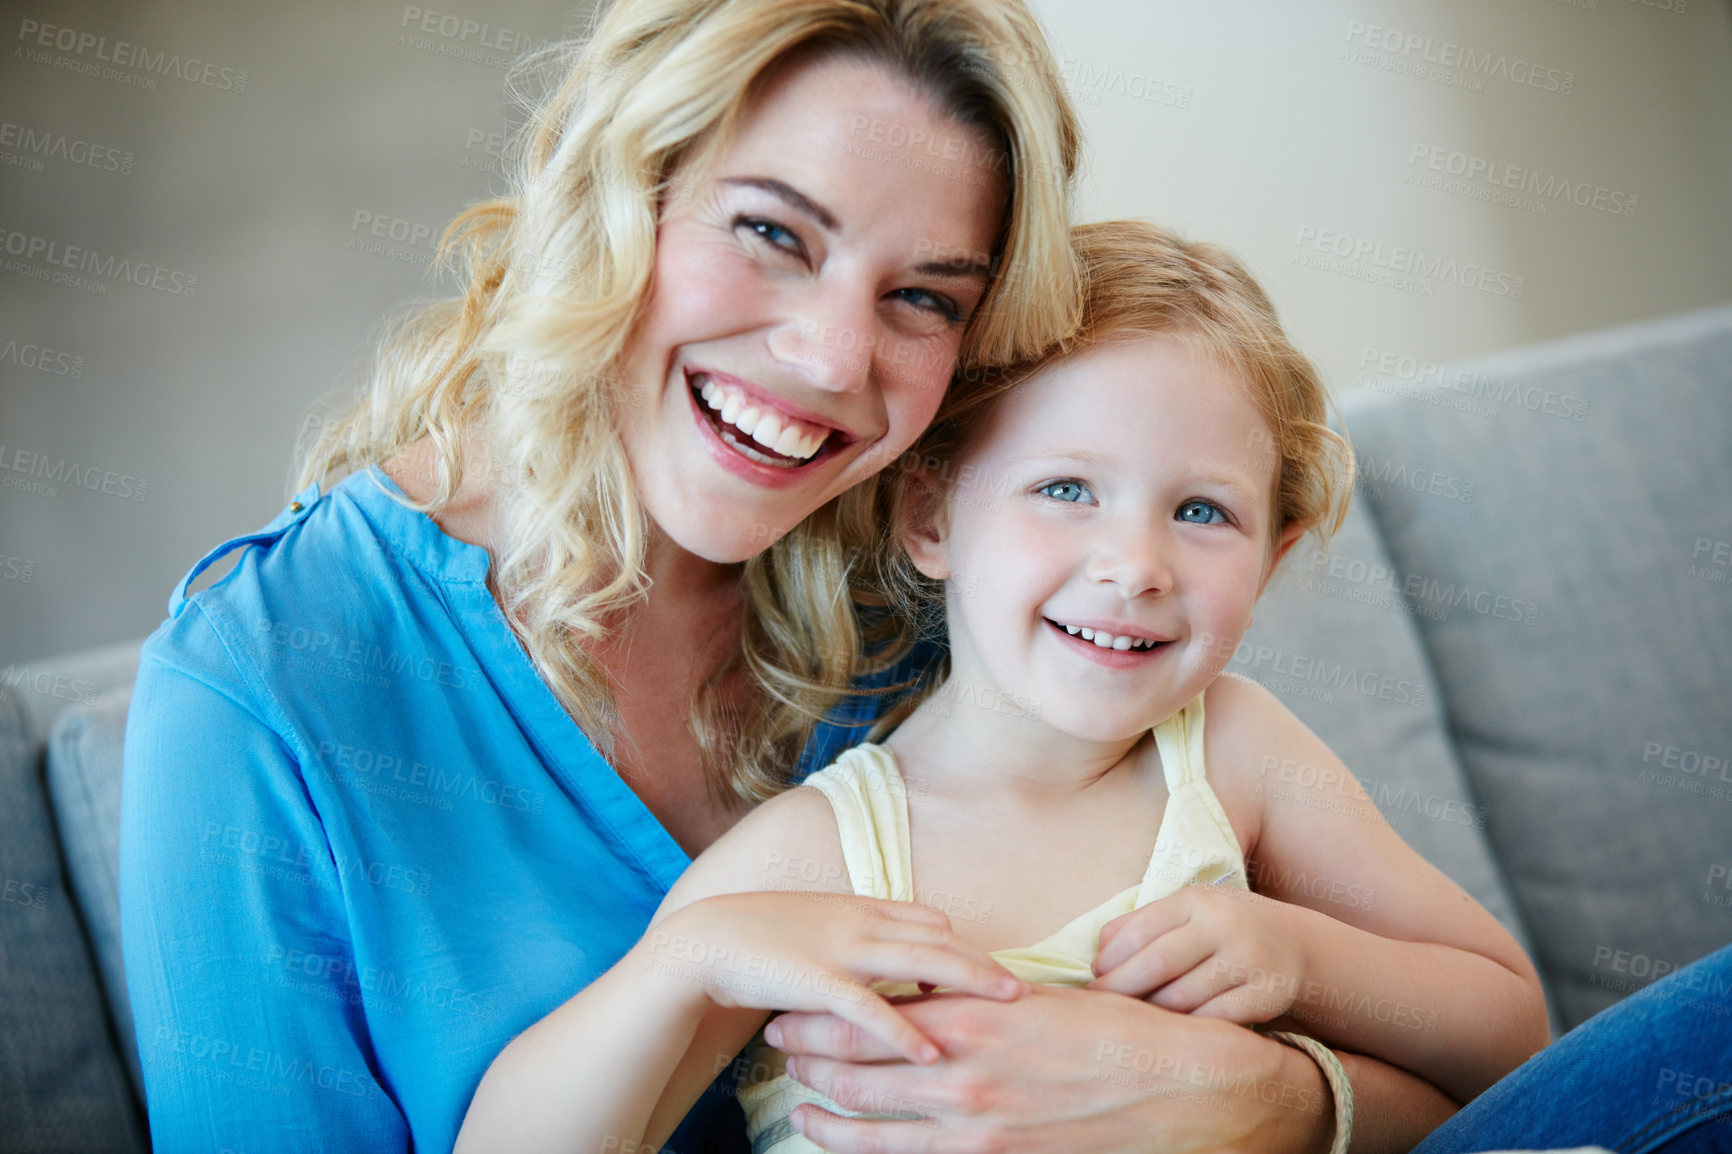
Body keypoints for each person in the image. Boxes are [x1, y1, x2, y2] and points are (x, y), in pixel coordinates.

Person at [119, 2, 1489, 1151]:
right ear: (617, 189)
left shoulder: (973, 587)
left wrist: (1260, 1093)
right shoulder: (266, 683)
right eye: (773, 231)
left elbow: (1482, 1065)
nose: (836, 360)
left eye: (925, 297)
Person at [454, 220, 1551, 1154]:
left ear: (1272, 555)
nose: (1135, 563)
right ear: (930, 516)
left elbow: (1515, 1032)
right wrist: (680, 965)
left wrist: (1308, 959)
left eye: (1202, 511)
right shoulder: (826, 850)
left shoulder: (1227, 750)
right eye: (1067, 487)